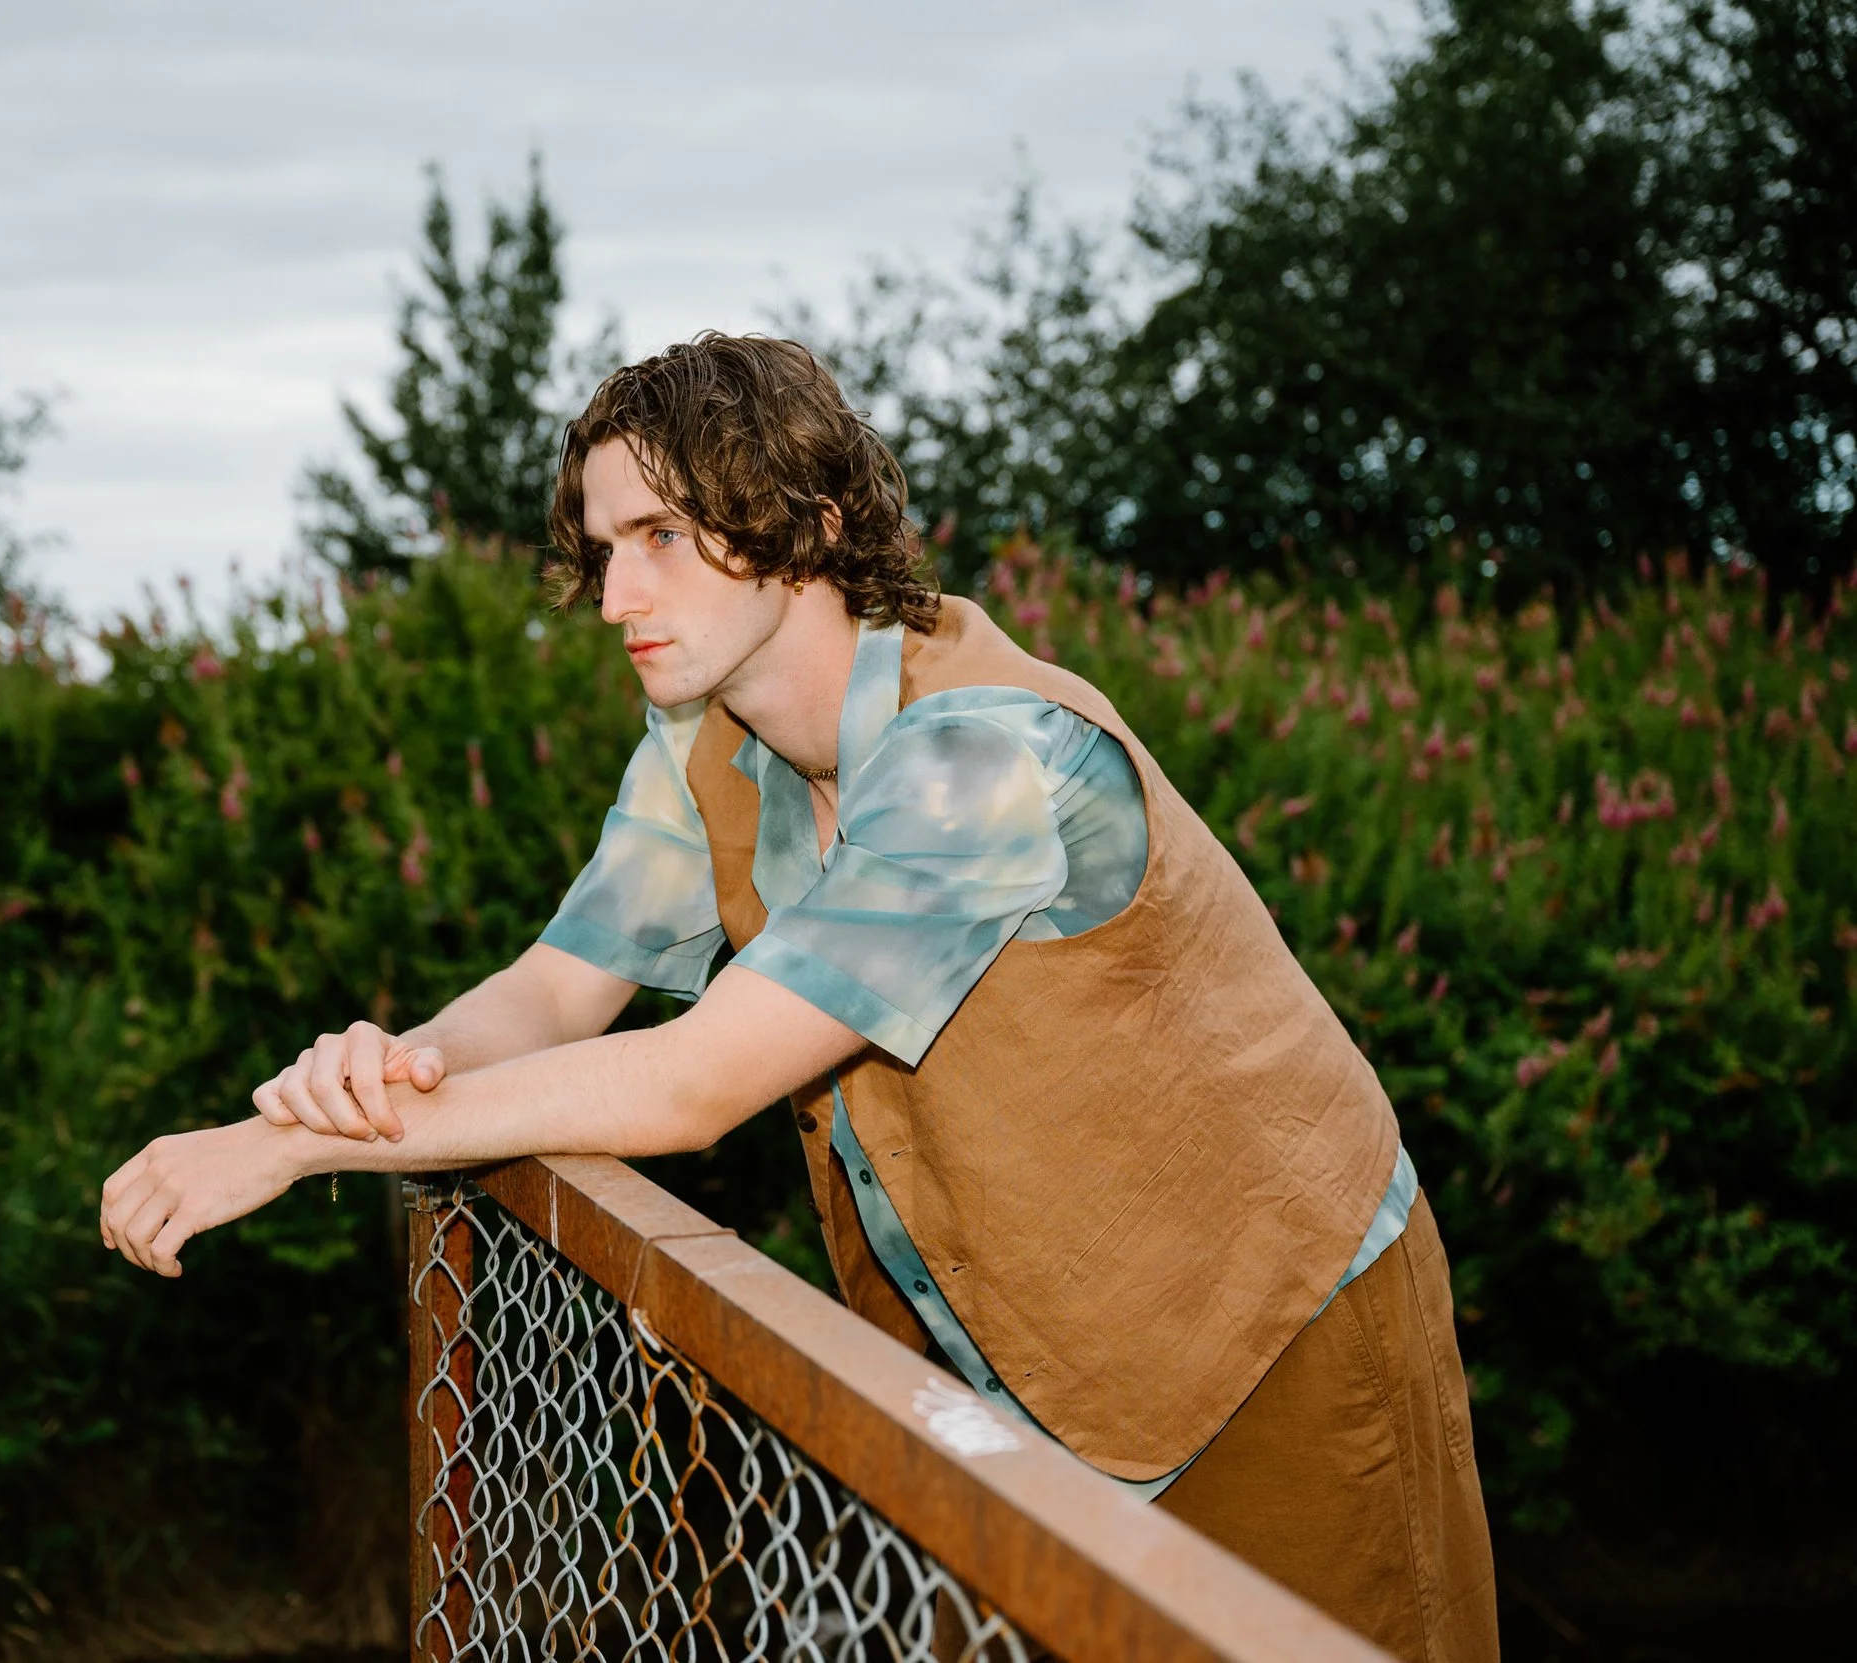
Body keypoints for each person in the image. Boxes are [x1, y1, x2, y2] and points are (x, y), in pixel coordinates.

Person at [99, 332, 1498, 1661]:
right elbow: (553, 990)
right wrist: (380, 1069)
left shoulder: (985, 756)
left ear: (812, 526)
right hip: (995, 1373)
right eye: (602, 548)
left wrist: (299, 1147)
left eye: (661, 537)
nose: (614, 596)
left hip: (1272, 1332)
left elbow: (692, 1083)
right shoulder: (705, 741)